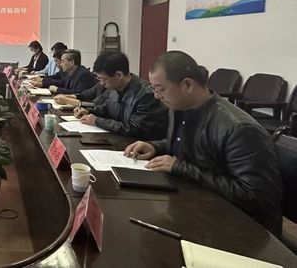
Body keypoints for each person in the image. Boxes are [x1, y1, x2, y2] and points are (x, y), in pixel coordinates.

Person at [124, 51, 282, 234]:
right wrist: (155, 146)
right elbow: (193, 145)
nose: (156, 96)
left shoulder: (240, 129)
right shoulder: (180, 107)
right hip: (195, 204)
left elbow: (257, 198)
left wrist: (180, 167)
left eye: (160, 89)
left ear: (187, 85)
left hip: (240, 228)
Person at [74, 51, 168, 140]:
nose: (101, 84)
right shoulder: (114, 89)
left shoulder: (146, 95)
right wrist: (88, 111)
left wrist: (97, 121)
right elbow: (105, 109)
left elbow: (134, 128)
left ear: (119, 75)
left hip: (136, 145)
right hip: (116, 139)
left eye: (103, 79)